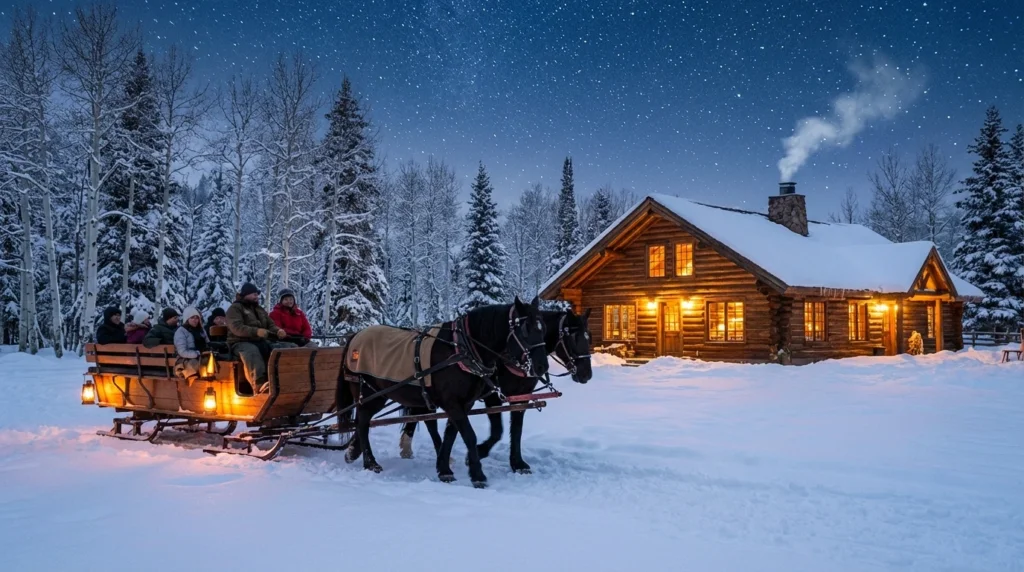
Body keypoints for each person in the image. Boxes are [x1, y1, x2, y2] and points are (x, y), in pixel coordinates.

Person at [226, 283, 294, 394]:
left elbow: (270, 324)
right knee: (251, 352)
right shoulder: (235, 309)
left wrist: (278, 331)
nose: (256, 296)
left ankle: (285, 379)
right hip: (239, 342)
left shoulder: (259, 309)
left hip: (259, 341)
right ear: (246, 295)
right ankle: (259, 385)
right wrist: (256, 331)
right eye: (254, 294)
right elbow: (236, 328)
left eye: (257, 294)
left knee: (284, 348)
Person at [174, 306, 210, 382]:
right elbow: (182, 351)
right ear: (187, 319)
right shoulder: (181, 331)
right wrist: (196, 354)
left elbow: (207, 342)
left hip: (203, 355)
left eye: (197, 318)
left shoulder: (201, 330)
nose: (195, 320)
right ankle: (186, 375)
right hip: (187, 359)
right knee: (196, 364)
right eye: (192, 318)